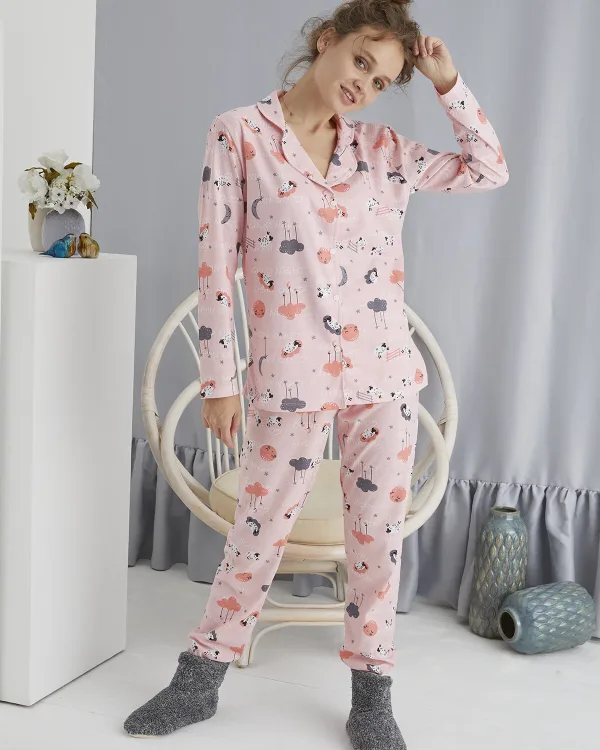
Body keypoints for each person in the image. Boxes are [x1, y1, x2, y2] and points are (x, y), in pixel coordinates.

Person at [124, 0, 508, 746]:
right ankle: (199, 679)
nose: (364, 84)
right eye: (361, 60)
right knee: (257, 532)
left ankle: (372, 698)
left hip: (384, 376)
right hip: (287, 377)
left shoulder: (384, 150)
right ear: (326, 41)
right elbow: (216, 265)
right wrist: (219, 381)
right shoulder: (239, 134)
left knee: (377, 542)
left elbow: (488, 168)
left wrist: (446, 82)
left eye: (382, 79)